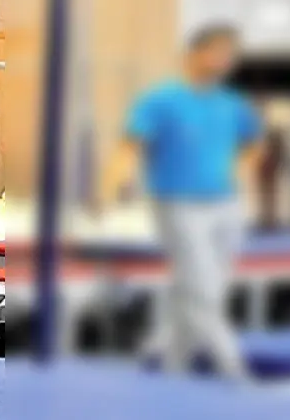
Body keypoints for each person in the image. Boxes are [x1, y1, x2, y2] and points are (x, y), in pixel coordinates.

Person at [108, 23, 262, 380]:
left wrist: (238, 170)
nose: (224, 60)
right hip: (178, 206)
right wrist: (119, 183)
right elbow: (131, 146)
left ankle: (172, 362)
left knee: (197, 288)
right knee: (204, 290)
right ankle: (235, 372)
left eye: (229, 53)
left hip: (225, 205)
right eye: (218, 51)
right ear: (194, 54)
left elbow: (254, 141)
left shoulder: (231, 103)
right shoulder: (162, 100)